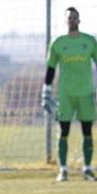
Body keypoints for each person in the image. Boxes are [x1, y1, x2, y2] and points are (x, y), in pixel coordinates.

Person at [41, 7, 97, 182]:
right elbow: (51, 68)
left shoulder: (90, 41)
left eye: (74, 17)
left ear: (79, 20)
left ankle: (87, 169)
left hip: (86, 93)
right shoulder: (58, 42)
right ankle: (63, 170)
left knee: (87, 130)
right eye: (69, 18)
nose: (72, 20)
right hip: (65, 94)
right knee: (63, 130)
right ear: (66, 21)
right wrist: (46, 90)